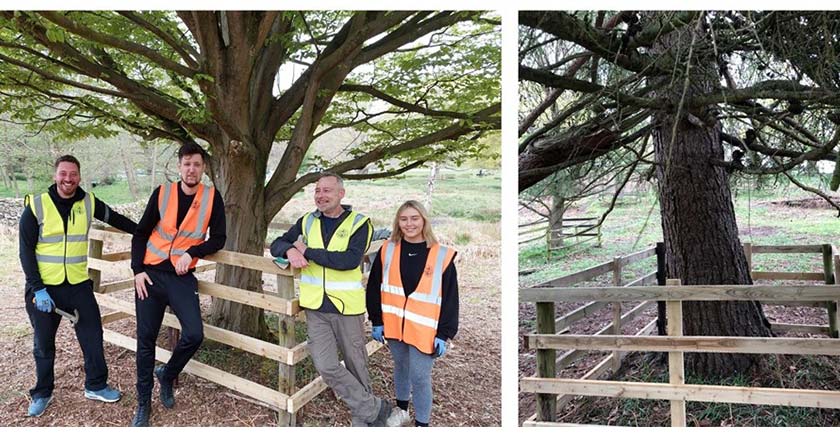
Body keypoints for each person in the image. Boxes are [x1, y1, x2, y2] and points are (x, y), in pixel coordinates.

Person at [270, 172, 394, 426]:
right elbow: (277, 243)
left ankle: (363, 422)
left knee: (356, 364)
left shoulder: (360, 223)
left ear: (341, 194)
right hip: (315, 307)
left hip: (347, 308)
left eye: (327, 190)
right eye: (317, 191)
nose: (320, 195)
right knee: (326, 366)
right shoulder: (306, 221)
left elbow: (348, 260)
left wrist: (308, 251)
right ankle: (375, 410)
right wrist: (291, 249)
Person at [19, 154, 137, 417]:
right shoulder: (36, 206)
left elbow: (117, 218)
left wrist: (145, 232)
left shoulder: (88, 201)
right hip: (44, 288)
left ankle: (95, 385)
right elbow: (26, 251)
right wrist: (37, 288)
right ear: (55, 175)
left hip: (78, 285)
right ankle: (42, 392)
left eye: (73, 174)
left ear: (79, 177)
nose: (68, 179)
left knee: (93, 335)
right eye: (63, 173)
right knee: (43, 344)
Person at [129, 142, 225, 426]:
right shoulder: (163, 192)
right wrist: (137, 270)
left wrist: (192, 253)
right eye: (187, 164)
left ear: (203, 168)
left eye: (196, 164)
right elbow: (140, 233)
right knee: (145, 340)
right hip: (150, 276)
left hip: (181, 278)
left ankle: (167, 374)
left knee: (194, 334)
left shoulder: (212, 197)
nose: (191, 169)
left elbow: (219, 238)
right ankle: (143, 403)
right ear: (179, 166)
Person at [365, 200, 459, 427]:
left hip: (425, 329)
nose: (409, 224)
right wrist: (377, 320)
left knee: (419, 376)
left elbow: (450, 299)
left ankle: (422, 424)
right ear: (398, 222)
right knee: (401, 367)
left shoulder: (441, 256)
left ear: (424, 220)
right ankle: (402, 411)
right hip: (394, 324)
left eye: (415, 218)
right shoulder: (387, 250)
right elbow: (374, 286)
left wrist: (444, 333)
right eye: (404, 219)